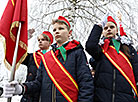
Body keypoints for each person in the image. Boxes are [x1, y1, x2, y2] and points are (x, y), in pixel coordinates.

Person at [3, 16, 94, 102]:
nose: (57, 31)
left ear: (69, 33)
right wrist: (21, 88)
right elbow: (37, 83)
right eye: (54, 30)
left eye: (61, 28)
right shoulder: (46, 57)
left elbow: (85, 83)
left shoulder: (77, 52)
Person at [85, 13, 138, 102]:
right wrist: (99, 26)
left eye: (112, 27)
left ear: (117, 30)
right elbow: (90, 46)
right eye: (105, 28)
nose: (109, 29)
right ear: (102, 32)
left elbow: (136, 71)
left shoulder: (128, 48)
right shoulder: (100, 49)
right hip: (102, 96)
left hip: (125, 97)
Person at [21, 31, 53, 102]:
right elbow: (19, 56)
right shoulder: (32, 57)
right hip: (30, 95)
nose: (40, 41)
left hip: (45, 94)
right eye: (39, 40)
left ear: (50, 42)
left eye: (43, 39)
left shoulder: (54, 57)